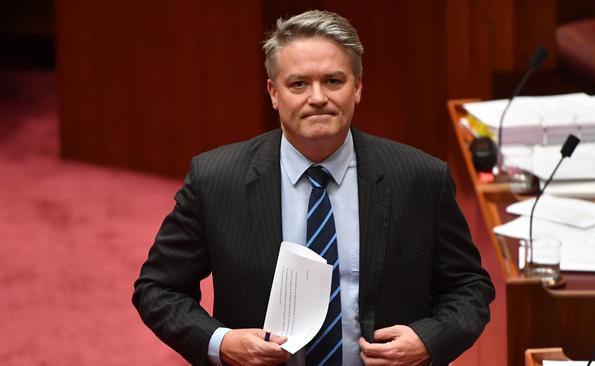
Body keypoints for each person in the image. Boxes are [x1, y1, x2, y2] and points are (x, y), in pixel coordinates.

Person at [133, 9, 495, 366]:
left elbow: (469, 288)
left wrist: (428, 341)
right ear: (274, 93)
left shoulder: (419, 178)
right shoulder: (216, 179)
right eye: (299, 84)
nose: (318, 97)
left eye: (334, 81)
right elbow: (158, 289)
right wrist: (221, 342)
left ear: (358, 88)